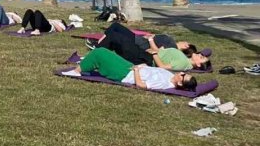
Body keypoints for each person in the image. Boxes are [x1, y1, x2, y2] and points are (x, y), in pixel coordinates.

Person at [62, 47, 198, 91]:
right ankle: (85, 67)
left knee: (100, 52)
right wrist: (144, 66)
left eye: (182, 75)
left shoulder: (165, 84)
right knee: (109, 54)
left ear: (180, 83)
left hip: (126, 74)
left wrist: (137, 71)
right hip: (131, 68)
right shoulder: (170, 77)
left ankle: (76, 72)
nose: (181, 73)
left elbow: (141, 85)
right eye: (183, 73)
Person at [88, 24, 210, 71]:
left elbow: (162, 67)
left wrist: (155, 54)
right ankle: (96, 55)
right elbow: (165, 56)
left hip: (146, 59)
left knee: (115, 37)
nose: (201, 54)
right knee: (115, 37)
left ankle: (95, 56)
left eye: (202, 58)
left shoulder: (184, 64)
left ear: (198, 64)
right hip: (145, 54)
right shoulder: (183, 58)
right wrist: (159, 51)